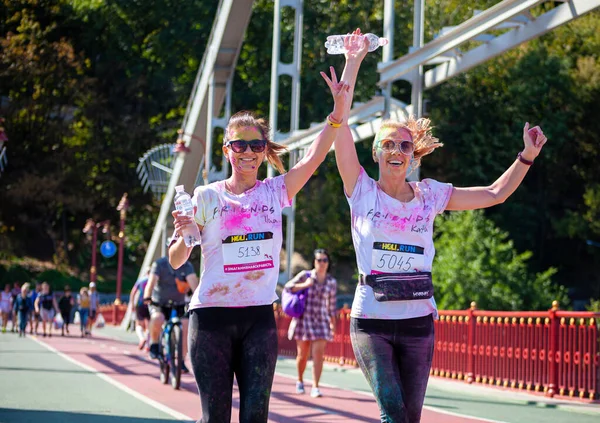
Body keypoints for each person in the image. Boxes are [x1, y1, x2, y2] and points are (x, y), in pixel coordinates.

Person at [332, 38, 549, 422]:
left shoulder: (430, 195)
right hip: (372, 323)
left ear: (413, 156)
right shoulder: (360, 189)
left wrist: (526, 157)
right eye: (388, 144)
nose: (397, 150)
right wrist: (353, 62)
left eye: (404, 145)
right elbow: (341, 126)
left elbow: (495, 194)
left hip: (418, 321)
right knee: (393, 414)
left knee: (409, 418)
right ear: (377, 153)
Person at [168, 31, 368, 423]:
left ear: (264, 151)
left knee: (256, 417)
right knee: (215, 418)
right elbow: (177, 260)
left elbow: (315, 155)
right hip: (211, 319)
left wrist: (340, 105)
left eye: (255, 146)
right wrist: (186, 232)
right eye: (238, 145)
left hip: (259, 317)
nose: (246, 153)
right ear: (226, 150)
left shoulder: (277, 192)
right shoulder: (206, 196)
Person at [285, 248, 337, 398]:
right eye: (319, 260)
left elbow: (332, 306)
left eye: (325, 260)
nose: (322, 263)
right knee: (302, 355)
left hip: (321, 321)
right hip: (304, 320)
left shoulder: (331, 282)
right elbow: (288, 287)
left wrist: (333, 324)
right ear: (314, 262)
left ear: (328, 263)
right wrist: (304, 285)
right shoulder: (305, 276)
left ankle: (315, 386)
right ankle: (300, 380)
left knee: (318, 355)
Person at [143, 255, 197, 372]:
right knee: (158, 318)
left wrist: (198, 298)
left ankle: (181, 360)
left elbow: (194, 283)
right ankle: (155, 344)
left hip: (179, 303)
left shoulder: (187, 266)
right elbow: (151, 282)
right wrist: (147, 295)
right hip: (160, 303)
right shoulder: (160, 264)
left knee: (186, 325)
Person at [129, 269, 150, 350]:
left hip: (140, 303)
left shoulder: (141, 280)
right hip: (150, 304)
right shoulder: (154, 279)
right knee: (149, 325)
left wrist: (132, 304)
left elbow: (133, 292)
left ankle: (142, 338)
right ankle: (148, 345)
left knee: (139, 324)